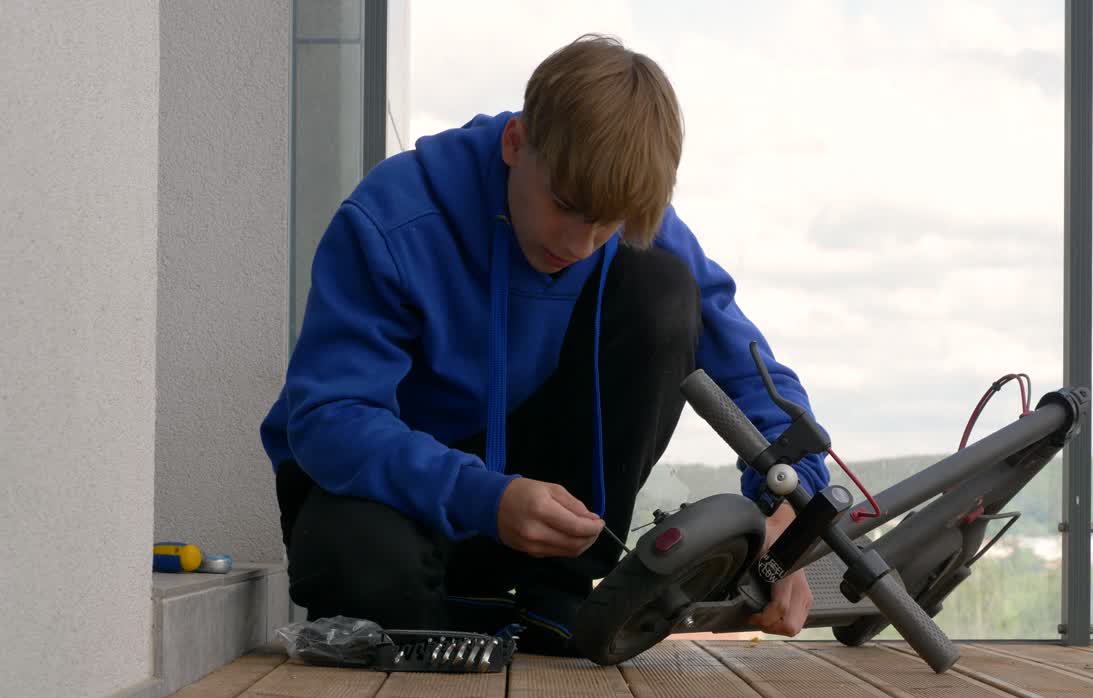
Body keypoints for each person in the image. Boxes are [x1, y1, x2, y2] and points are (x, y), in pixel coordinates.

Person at [260, 33, 831, 656]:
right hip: (396, 494)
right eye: (566, 206)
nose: (582, 243)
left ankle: (554, 599)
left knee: (665, 289)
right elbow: (329, 420)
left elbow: (749, 373)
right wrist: (485, 495)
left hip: (541, 517)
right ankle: (476, 614)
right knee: (361, 571)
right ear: (516, 143)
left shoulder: (631, 220)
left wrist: (787, 508)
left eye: (606, 224)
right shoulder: (394, 220)